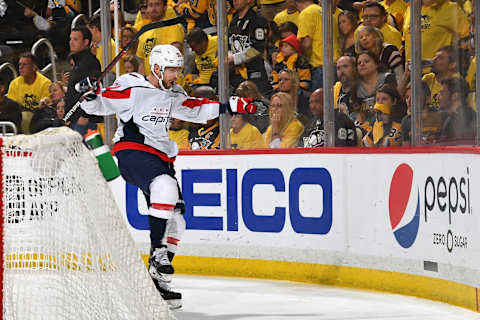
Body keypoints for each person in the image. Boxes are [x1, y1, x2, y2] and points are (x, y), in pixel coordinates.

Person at [77, 45, 256, 308]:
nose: (176, 75)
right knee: (165, 187)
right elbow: (101, 104)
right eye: (171, 70)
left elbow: (194, 109)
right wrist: (89, 94)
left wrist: (231, 104)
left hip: (159, 157)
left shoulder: (173, 94)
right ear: (157, 68)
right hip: (132, 150)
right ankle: (158, 252)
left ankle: (156, 279)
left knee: (179, 219)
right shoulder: (133, 86)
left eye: (177, 70)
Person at [228, 0, 272, 97]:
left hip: (256, 73)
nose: (234, 1)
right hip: (238, 74)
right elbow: (230, 45)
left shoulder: (258, 20)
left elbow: (258, 49)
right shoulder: (234, 21)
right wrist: (229, 55)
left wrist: (234, 59)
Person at [64, 26, 102, 136]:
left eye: (75, 39)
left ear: (86, 42)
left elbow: (94, 90)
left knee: (90, 153)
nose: (71, 42)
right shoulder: (78, 62)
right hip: (75, 119)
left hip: (84, 122)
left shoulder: (90, 62)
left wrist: (85, 116)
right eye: (70, 39)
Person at [403, 0, 470, 62]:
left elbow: (467, 39)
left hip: (438, 72)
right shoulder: (410, 9)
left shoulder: (451, 8)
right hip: (411, 72)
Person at [136, 0, 185, 76]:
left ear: (165, 7)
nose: (153, 8)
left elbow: (174, 57)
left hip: (170, 82)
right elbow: (142, 62)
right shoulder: (145, 31)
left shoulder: (173, 27)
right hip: (151, 84)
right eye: (150, 5)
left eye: (157, 5)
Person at [7, 52, 51, 134]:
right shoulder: (14, 83)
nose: (21, 67)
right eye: (19, 64)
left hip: (40, 115)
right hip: (19, 115)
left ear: (34, 68)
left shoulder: (45, 83)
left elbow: (46, 108)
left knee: (26, 117)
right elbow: (11, 106)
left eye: (25, 65)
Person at [437, 77, 476, 143]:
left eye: (442, 93)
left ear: (455, 96)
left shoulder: (464, 120)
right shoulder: (452, 117)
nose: (437, 97)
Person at [295, 0, 323, 90]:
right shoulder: (325, 11)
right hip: (334, 65)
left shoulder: (306, 13)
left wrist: (303, 61)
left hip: (318, 66)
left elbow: (307, 44)